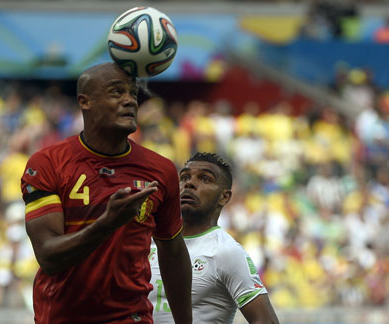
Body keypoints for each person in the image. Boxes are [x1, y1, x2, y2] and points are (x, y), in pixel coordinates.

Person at [21, 62, 192, 324]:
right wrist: (107, 224)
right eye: (116, 92)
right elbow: (47, 256)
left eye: (133, 94)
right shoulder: (47, 163)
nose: (129, 101)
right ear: (84, 101)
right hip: (61, 317)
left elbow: (174, 254)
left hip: (131, 317)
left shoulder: (161, 170)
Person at [149, 152, 279, 324]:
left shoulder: (226, 252)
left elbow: (266, 320)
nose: (189, 183)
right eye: (184, 177)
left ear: (224, 197)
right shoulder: (149, 241)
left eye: (205, 179)